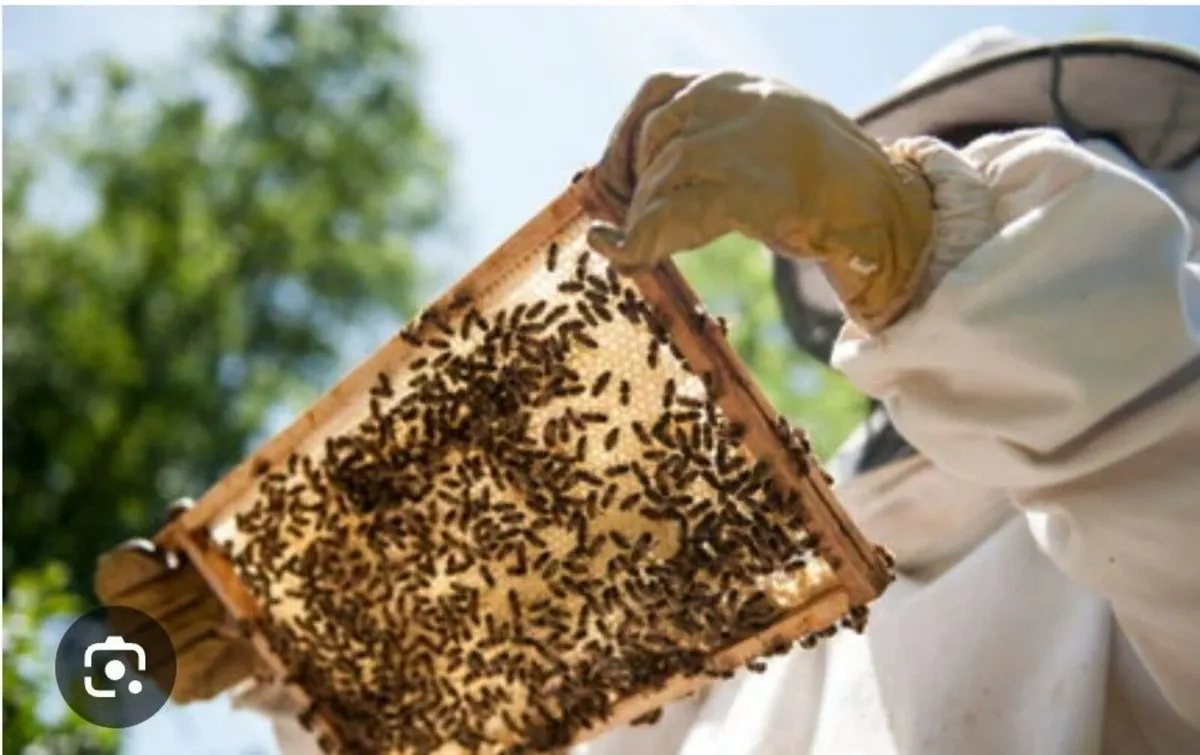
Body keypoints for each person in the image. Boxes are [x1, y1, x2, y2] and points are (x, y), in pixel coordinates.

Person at [96, 26, 1200, 755]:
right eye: (927, 158)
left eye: (990, 165)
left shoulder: (1144, 517)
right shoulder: (758, 626)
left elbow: (1155, 454)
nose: (955, 173)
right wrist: (306, 647)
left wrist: (915, 228)